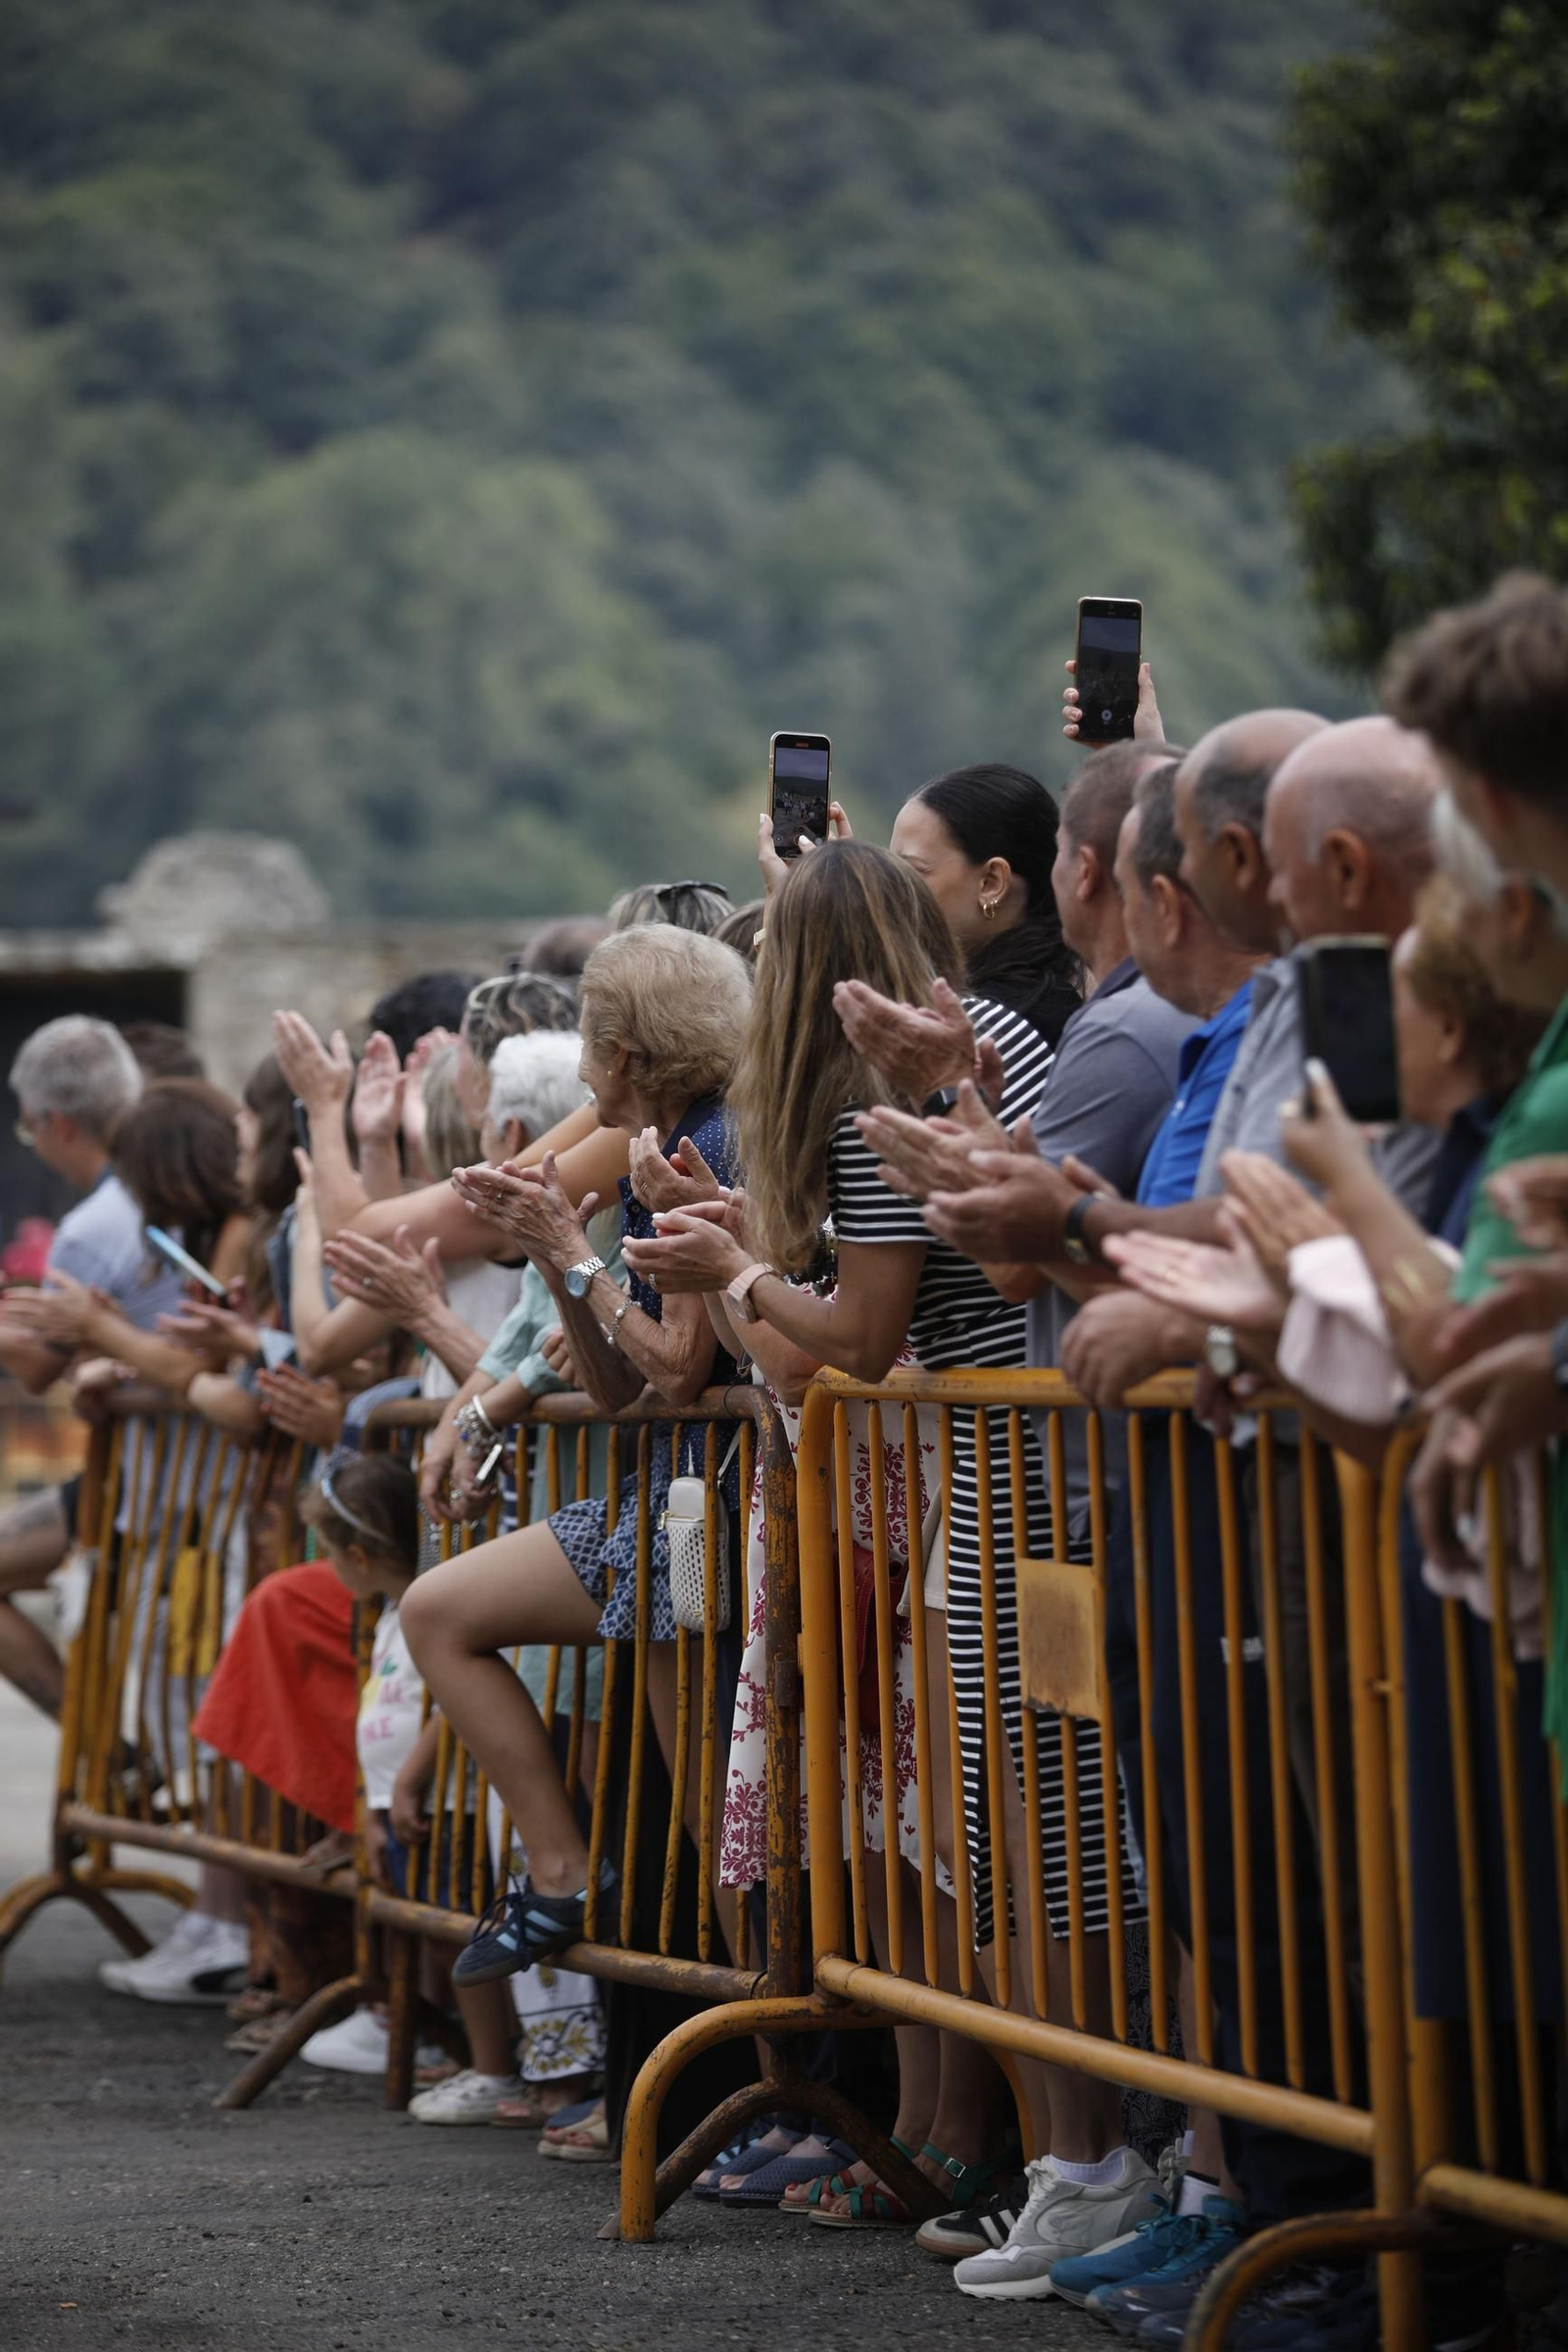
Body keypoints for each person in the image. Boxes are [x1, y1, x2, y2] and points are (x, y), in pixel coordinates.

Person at [626, 842, 1153, 2274]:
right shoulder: (967, 1070)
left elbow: (859, 1337)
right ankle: (1068, 2164)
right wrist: (749, 1268)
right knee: (1001, 1843)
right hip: (986, 1484)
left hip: (999, 1486)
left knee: (1027, 1845)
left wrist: (734, 1276)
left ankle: (1086, 2162)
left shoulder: (878, 1111)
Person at [400, 923, 753, 1981]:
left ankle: (780, 2062)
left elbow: (682, 1369)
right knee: (704, 1812)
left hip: (717, 1510)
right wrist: (559, 1262)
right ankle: (562, 1877)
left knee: (722, 1814)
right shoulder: (661, 1151)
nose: (587, 1070)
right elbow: (622, 1390)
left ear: (628, 1052)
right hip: (675, 1502)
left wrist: (569, 1256)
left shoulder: (712, 1144)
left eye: (593, 1042)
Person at [0, 1018, 182, 1718]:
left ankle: (97, 1738)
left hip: (151, 1477)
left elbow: (37, 1367)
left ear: (56, 1124)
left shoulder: (91, 1227)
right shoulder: (165, 1186)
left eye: (28, 1131)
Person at [888, 764, 1083, 1044]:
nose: (890, 887)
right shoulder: (1054, 996)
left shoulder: (993, 1029)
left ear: (991, 882)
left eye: (912, 872)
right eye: (889, 869)